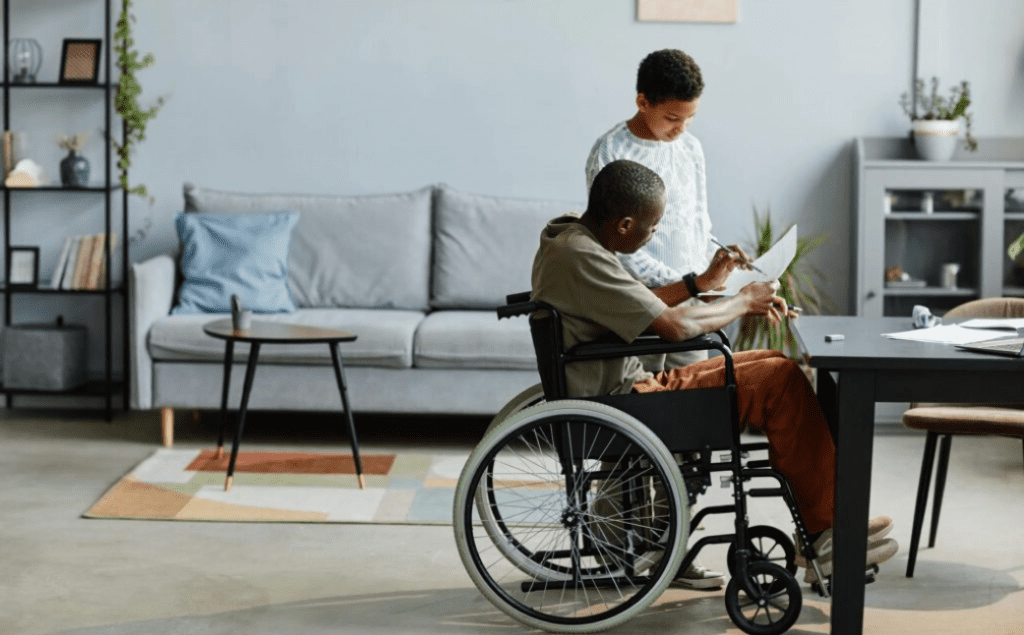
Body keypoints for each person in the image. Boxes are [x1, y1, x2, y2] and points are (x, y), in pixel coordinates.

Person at [532, 159, 897, 586]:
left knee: (777, 365)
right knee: (777, 381)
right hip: (625, 400)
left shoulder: (574, 237)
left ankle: (827, 523)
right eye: (651, 228)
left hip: (625, 388)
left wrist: (699, 283)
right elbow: (675, 326)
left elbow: (638, 302)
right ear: (625, 224)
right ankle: (825, 530)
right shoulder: (581, 255)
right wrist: (743, 301)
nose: (653, 235)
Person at [585, 48, 750, 371]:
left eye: (691, 118)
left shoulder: (691, 148)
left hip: (691, 302)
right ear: (643, 102)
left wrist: (715, 261)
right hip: (646, 305)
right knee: (645, 402)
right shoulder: (611, 152)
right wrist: (690, 282)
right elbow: (615, 245)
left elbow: (696, 221)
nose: (682, 129)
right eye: (673, 118)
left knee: (690, 397)